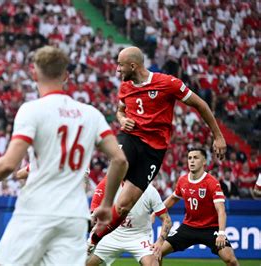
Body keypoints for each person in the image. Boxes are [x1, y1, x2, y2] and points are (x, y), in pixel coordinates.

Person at [0, 46, 128, 265]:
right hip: (74, 215)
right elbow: (119, 160)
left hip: (38, 208)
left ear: (34, 73)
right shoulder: (91, 114)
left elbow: (9, 164)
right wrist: (108, 205)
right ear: (66, 75)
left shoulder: (32, 110)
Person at [91, 46, 226, 244]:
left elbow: (200, 104)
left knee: (123, 207)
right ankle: (94, 213)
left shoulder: (168, 83)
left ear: (133, 65)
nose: (117, 70)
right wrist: (121, 119)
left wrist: (218, 136)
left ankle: (94, 239)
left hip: (154, 150)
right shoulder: (125, 86)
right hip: (131, 138)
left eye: (120, 65)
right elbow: (120, 110)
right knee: (118, 162)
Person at [159, 148, 239, 266]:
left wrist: (221, 233)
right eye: (190, 158)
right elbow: (173, 198)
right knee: (156, 253)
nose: (191, 161)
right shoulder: (183, 180)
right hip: (188, 227)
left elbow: (221, 210)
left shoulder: (212, 182)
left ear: (204, 162)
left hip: (211, 228)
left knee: (231, 260)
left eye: (196, 158)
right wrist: (156, 212)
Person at [87, 177, 172, 266]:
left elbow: (167, 220)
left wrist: (159, 242)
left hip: (139, 236)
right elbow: (95, 208)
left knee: (153, 264)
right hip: (111, 234)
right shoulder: (110, 186)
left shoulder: (150, 191)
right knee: (85, 263)